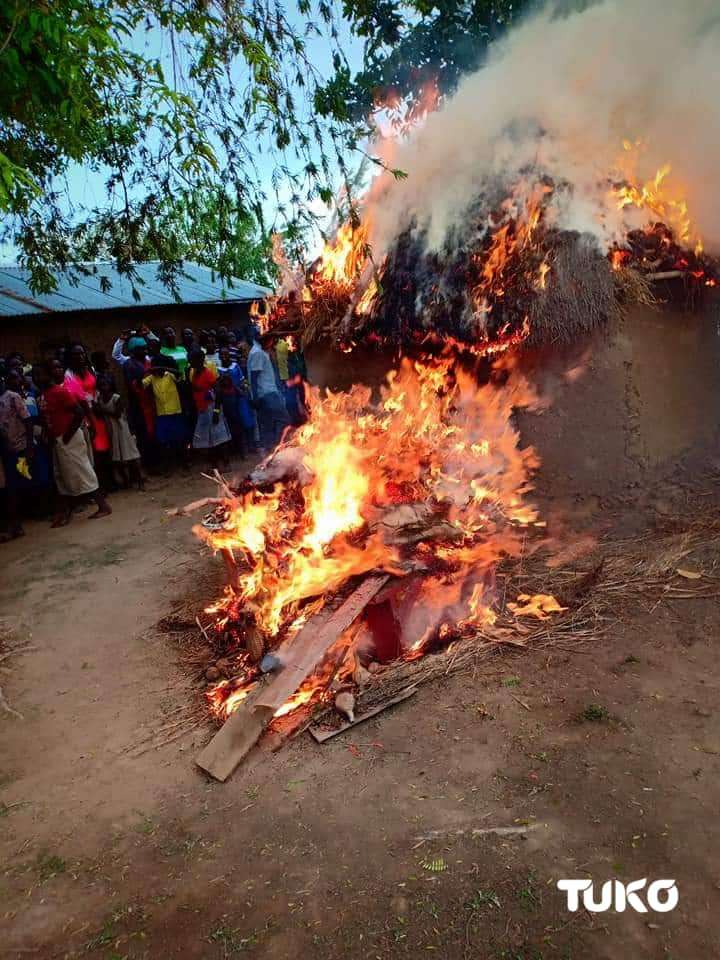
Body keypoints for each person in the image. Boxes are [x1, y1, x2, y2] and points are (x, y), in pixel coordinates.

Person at [37, 359, 111, 525]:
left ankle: (103, 506)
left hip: (68, 438)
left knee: (82, 472)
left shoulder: (59, 392)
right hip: (57, 439)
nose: (36, 378)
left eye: (40, 374)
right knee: (61, 476)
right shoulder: (44, 394)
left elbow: (79, 412)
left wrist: (66, 436)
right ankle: (66, 511)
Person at [0, 369, 34, 538]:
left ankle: (16, 523)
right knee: (6, 487)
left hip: (18, 446)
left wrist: (29, 446)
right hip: (4, 449)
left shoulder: (12, 397)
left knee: (15, 485)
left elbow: (28, 420)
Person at [94, 375, 144, 489]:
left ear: (110, 385)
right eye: (101, 385)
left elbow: (117, 414)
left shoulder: (116, 397)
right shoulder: (100, 398)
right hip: (111, 430)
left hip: (122, 429)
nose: (103, 387)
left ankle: (140, 481)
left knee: (131, 455)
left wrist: (101, 409)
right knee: (119, 458)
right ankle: (128, 482)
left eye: (105, 385)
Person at [246, 331, 290, 454]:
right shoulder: (257, 353)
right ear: (264, 339)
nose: (272, 343)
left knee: (268, 425)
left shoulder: (260, 351)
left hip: (267, 393)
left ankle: (271, 451)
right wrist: (254, 397)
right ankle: (276, 447)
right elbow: (254, 377)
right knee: (284, 419)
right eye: (271, 340)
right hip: (267, 394)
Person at [188, 348, 231, 466]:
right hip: (202, 410)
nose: (189, 361)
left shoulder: (207, 373)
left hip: (211, 408)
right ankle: (214, 465)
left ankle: (226, 464)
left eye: (191, 359)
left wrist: (216, 411)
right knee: (209, 439)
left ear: (199, 360)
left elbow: (218, 391)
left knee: (220, 438)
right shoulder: (194, 373)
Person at [142, 361, 186, 469]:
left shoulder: (169, 375)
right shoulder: (152, 378)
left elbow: (179, 374)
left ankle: (183, 461)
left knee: (178, 439)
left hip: (175, 411)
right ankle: (168, 463)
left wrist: (165, 367)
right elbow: (141, 383)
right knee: (163, 440)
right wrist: (147, 371)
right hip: (162, 414)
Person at [217, 348, 256, 456]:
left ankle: (251, 444)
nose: (224, 356)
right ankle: (238, 448)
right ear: (219, 356)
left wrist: (247, 392)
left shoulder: (235, 366)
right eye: (222, 354)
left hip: (240, 397)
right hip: (228, 400)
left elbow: (243, 381)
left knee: (246, 420)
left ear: (229, 355)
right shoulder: (218, 369)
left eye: (226, 354)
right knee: (233, 424)